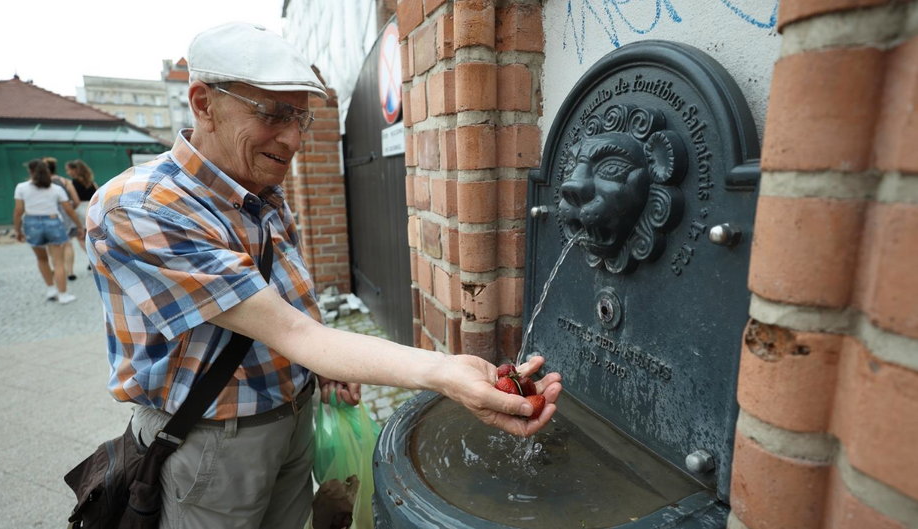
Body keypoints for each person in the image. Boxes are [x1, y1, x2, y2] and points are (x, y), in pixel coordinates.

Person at [85, 22, 562, 529]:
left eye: (301, 119)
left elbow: (289, 304)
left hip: (293, 417)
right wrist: (445, 373)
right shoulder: (142, 208)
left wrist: (327, 367)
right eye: (273, 114)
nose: (292, 139)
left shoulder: (261, 190)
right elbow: (292, 331)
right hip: (210, 441)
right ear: (203, 103)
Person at [14, 159, 84, 304]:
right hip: (53, 222)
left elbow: (18, 211)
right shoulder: (55, 189)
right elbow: (68, 209)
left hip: (32, 223)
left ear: (30, 172)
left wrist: (17, 230)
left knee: (42, 259)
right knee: (58, 262)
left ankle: (51, 289)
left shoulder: (21, 187)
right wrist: (79, 225)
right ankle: (63, 294)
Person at [42, 156, 82, 281]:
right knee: (68, 243)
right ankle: (70, 271)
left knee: (52, 245)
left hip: (48, 214)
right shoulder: (65, 181)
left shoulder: (40, 183)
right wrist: (71, 208)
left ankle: (57, 268)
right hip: (65, 214)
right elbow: (76, 200)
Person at [66, 159, 98, 270]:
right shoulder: (91, 182)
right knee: (93, 236)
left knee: (80, 237)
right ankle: (95, 259)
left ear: (75, 170)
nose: (68, 173)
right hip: (92, 209)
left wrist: (70, 209)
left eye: (69, 170)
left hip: (80, 211)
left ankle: (93, 259)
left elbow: (76, 201)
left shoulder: (72, 183)